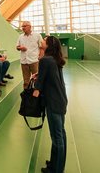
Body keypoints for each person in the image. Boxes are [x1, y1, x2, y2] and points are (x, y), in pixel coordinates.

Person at [33, 36, 68, 173]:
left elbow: (39, 85)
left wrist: (35, 88)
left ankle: (56, 170)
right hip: (61, 100)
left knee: (56, 137)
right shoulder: (55, 59)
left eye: (44, 40)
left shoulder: (45, 60)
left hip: (53, 102)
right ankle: (55, 164)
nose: (42, 41)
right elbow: (49, 77)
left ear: (48, 45)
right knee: (60, 134)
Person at [16, 21, 44, 89]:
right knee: (26, 81)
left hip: (34, 61)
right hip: (24, 62)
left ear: (30, 27)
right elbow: (17, 47)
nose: (23, 28)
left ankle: (38, 94)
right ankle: (26, 95)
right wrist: (20, 48)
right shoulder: (20, 37)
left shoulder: (37, 35)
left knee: (37, 79)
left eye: (25, 26)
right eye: (22, 26)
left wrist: (40, 57)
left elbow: (42, 47)